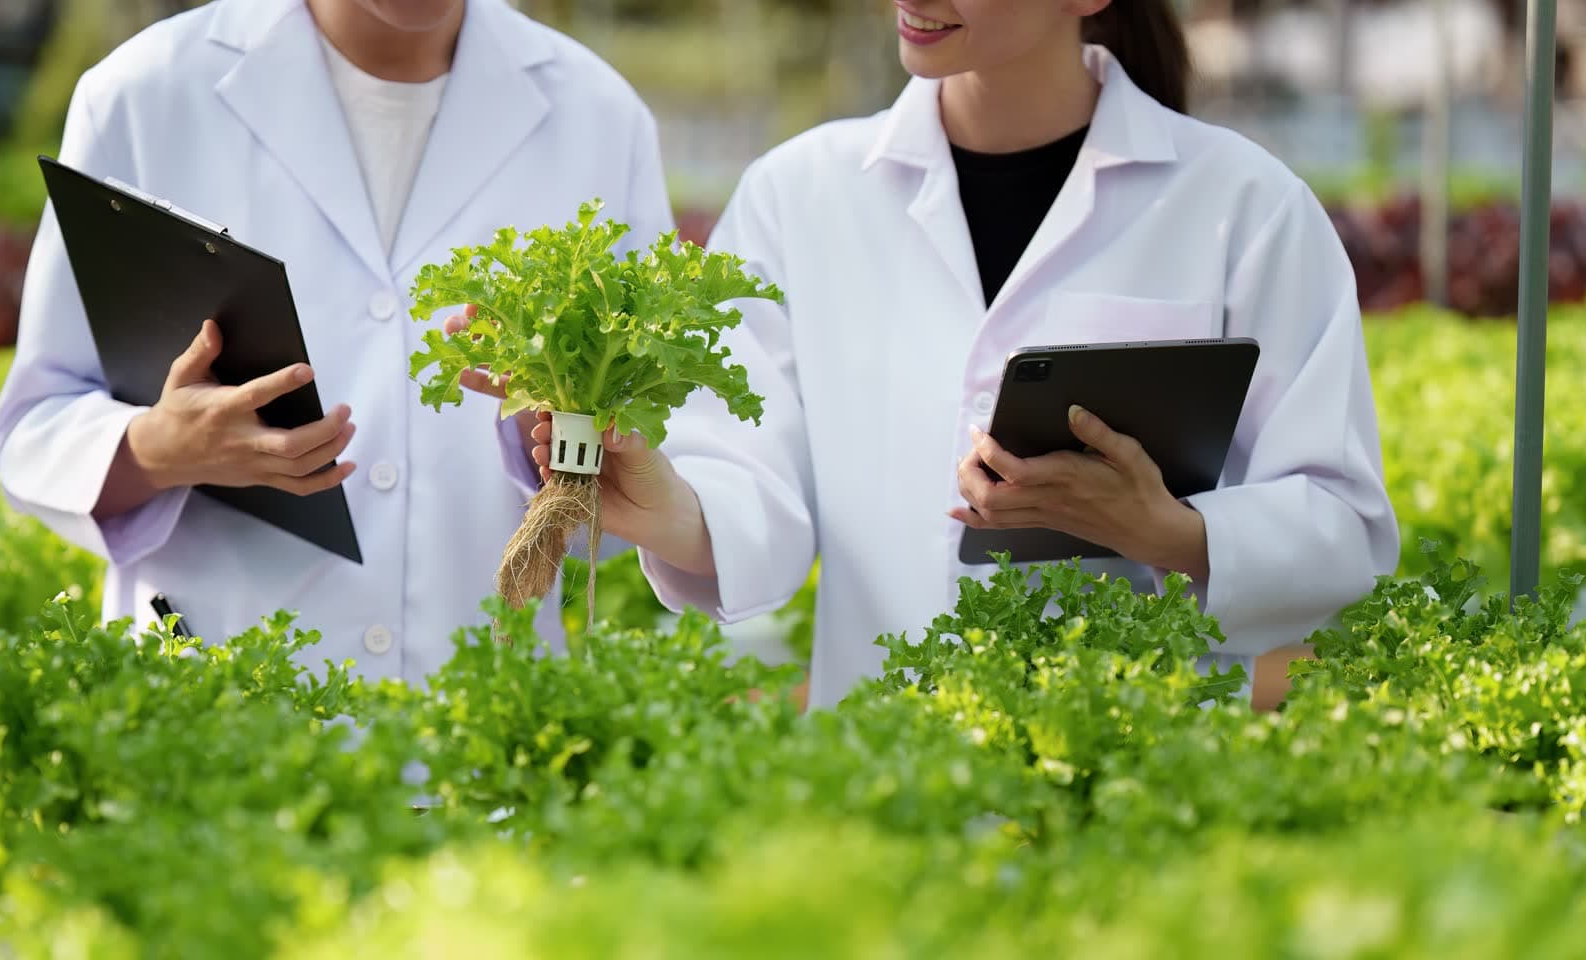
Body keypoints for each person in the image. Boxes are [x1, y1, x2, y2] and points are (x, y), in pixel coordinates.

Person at [500, 0, 1399, 708]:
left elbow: (1344, 530)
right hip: (888, 782)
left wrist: (1170, 533)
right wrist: (672, 511)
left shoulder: (1246, 207)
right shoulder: (797, 197)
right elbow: (752, 503)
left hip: (1139, 785)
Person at [0, 0, 672, 680]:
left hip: (479, 716)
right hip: (217, 708)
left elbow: (654, 468)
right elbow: (36, 430)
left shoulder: (601, 118)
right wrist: (164, 450)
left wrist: (558, 430)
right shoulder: (145, 95)